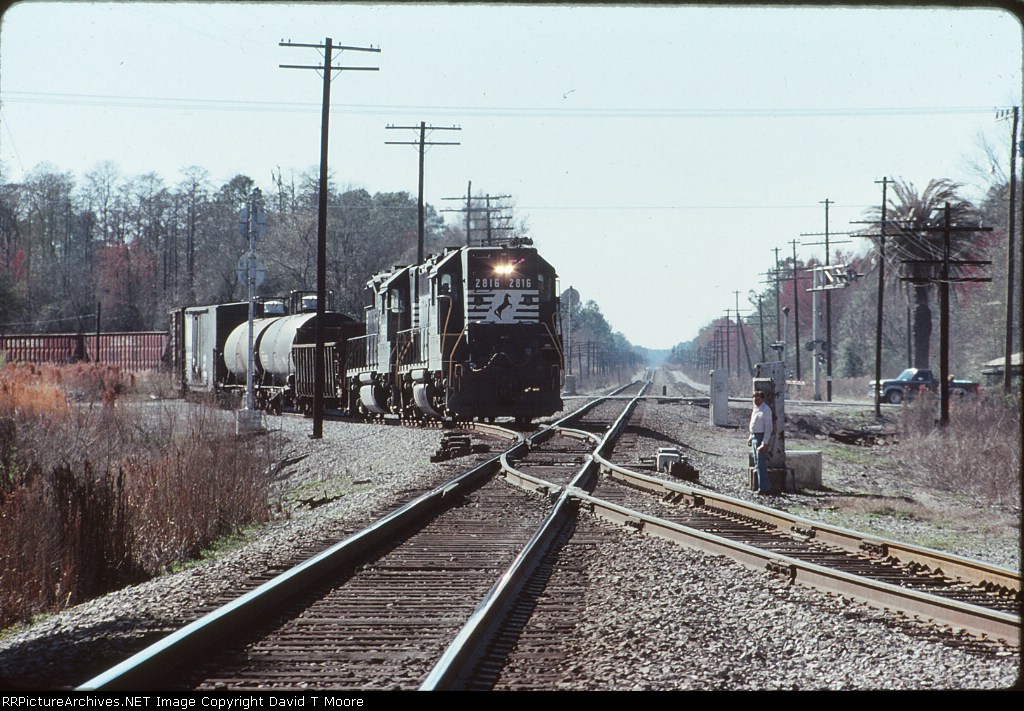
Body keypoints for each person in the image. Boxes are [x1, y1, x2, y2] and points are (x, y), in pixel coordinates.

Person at [748, 390, 774, 494]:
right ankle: (760, 486)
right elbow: (754, 424)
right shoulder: (756, 409)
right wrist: (750, 437)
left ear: (762, 399)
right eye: (755, 400)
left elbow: (768, 427)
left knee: (760, 463)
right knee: (757, 463)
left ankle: (764, 487)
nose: (756, 402)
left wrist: (765, 442)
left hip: (761, 437)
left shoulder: (765, 410)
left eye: (758, 400)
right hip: (755, 436)